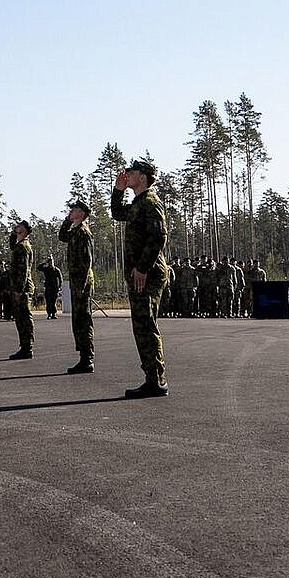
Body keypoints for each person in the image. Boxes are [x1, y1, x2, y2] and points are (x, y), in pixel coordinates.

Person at [112, 158, 169, 398]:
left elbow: (159, 236)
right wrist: (118, 190)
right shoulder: (138, 203)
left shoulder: (150, 202)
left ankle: (156, 380)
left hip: (148, 274)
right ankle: (152, 378)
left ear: (143, 176)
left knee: (146, 326)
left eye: (132, 171)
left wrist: (143, 268)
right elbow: (117, 213)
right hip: (140, 274)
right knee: (141, 326)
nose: (128, 173)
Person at [57, 199, 94, 374]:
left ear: (82, 213)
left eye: (74, 210)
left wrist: (81, 284)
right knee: (78, 319)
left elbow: (87, 261)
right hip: (77, 281)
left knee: (83, 319)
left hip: (82, 282)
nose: (71, 211)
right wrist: (67, 220)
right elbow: (62, 236)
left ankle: (87, 359)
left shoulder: (83, 233)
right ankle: (84, 357)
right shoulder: (75, 231)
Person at [5, 219, 36, 360]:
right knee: (20, 318)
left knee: (24, 318)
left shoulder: (23, 247)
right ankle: (25, 346)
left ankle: (27, 347)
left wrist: (18, 290)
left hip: (22, 288)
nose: (16, 227)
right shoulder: (19, 245)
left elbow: (23, 271)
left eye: (19, 226)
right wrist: (13, 232)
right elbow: (12, 245)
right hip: (20, 287)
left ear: (24, 230)